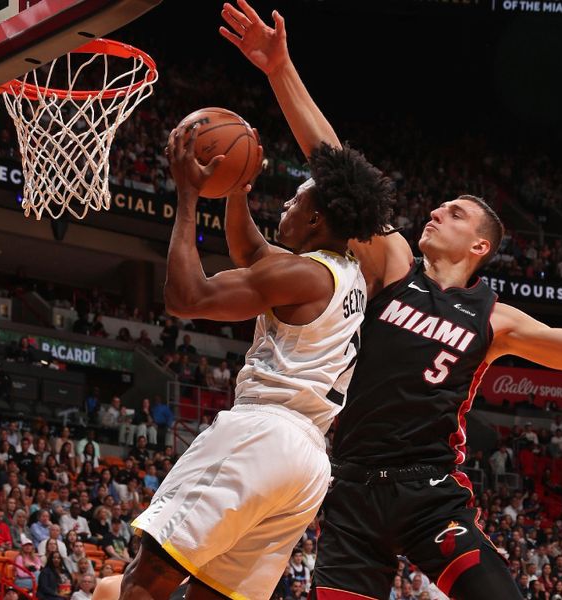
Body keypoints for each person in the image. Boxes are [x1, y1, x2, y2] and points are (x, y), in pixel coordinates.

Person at [220, 2, 562, 599]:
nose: (437, 210)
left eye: (456, 211)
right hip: (352, 489)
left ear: (478, 244)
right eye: (440, 204)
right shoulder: (393, 262)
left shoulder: (494, 318)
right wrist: (279, 68)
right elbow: (338, 170)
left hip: (431, 494)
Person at [119, 74, 391, 600]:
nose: (283, 206)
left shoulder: (301, 275)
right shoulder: (345, 273)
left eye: (293, 201)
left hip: (261, 434)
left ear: (315, 218)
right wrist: (236, 189)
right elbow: (251, 254)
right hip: (309, 465)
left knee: (147, 580)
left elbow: (186, 298)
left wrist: (188, 195)